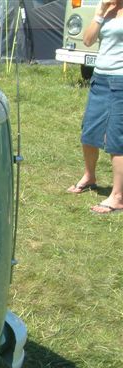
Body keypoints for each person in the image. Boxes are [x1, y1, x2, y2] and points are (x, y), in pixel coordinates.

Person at [67, 0, 123, 214]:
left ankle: (117, 197)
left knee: (117, 139)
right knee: (89, 132)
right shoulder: (107, 10)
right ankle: (89, 176)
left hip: (120, 81)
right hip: (99, 79)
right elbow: (88, 40)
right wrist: (99, 12)